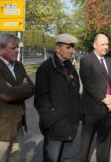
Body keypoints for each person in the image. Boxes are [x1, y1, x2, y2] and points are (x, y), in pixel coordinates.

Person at [0, 33, 35, 162]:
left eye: (17, 47)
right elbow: (6, 95)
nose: (17, 51)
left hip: (16, 126)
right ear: (1, 49)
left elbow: (32, 89)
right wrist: (21, 87)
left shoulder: (19, 66)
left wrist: (15, 89)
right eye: (13, 48)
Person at [34, 33, 81, 162]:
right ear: (57, 48)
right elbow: (40, 100)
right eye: (68, 47)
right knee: (52, 159)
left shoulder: (70, 67)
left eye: (73, 47)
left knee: (67, 158)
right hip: (54, 128)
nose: (72, 50)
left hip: (71, 125)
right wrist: (51, 120)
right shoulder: (45, 69)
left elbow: (76, 94)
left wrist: (77, 116)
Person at [79, 33, 111, 162]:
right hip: (91, 109)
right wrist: (104, 99)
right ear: (94, 45)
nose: (106, 47)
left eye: (107, 44)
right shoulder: (86, 61)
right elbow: (88, 84)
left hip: (108, 110)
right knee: (86, 143)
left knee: (105, 143)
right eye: (103, 44)